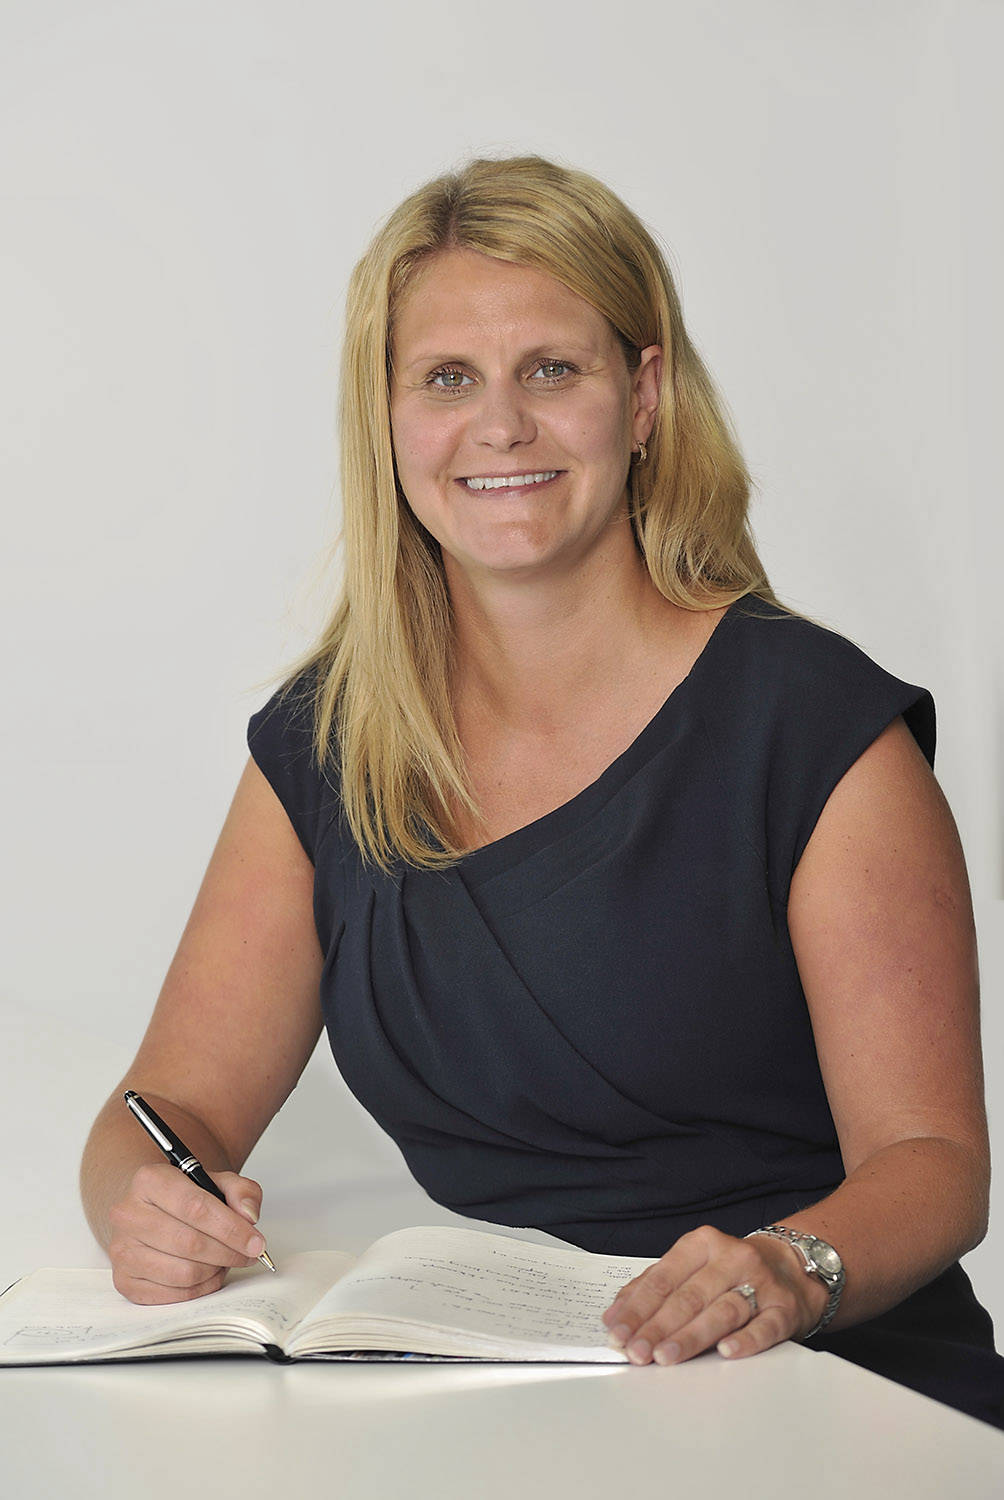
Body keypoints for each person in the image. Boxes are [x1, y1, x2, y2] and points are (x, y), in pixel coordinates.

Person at [80, 155, 1004, 1427]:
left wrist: (789, 1271)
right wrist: (147, 1207)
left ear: (642, 396)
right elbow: (160, 1110)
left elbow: (935, 1166)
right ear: (386, 416)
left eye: (551, 371)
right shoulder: (327, 743)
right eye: (447, 378)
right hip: (526, 1398)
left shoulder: (809, 727)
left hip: (831, 1395)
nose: (499, 425)